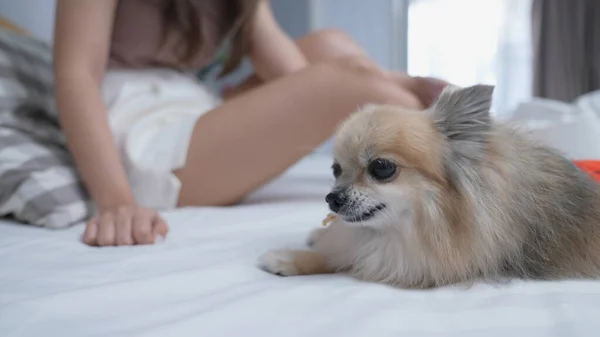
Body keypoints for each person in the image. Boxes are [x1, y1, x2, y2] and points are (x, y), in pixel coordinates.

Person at [53, 0, 447, 247]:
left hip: (193, 104)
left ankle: (455, 140)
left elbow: (299, 73)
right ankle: (464, 160)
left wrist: (387, 82)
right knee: (345, 79)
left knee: (333, 46)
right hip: (142, 130)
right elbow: (76, 75)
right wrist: (117, 202)